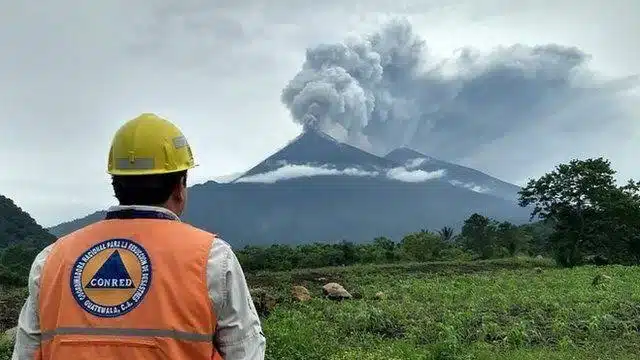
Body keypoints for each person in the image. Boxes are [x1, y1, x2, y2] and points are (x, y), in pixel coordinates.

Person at [11, 113, 266, 359]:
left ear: (115, 184)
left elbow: (25, 352)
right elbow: (245, 351)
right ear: (179, 187)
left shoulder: (51, 260)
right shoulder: (211, 259)